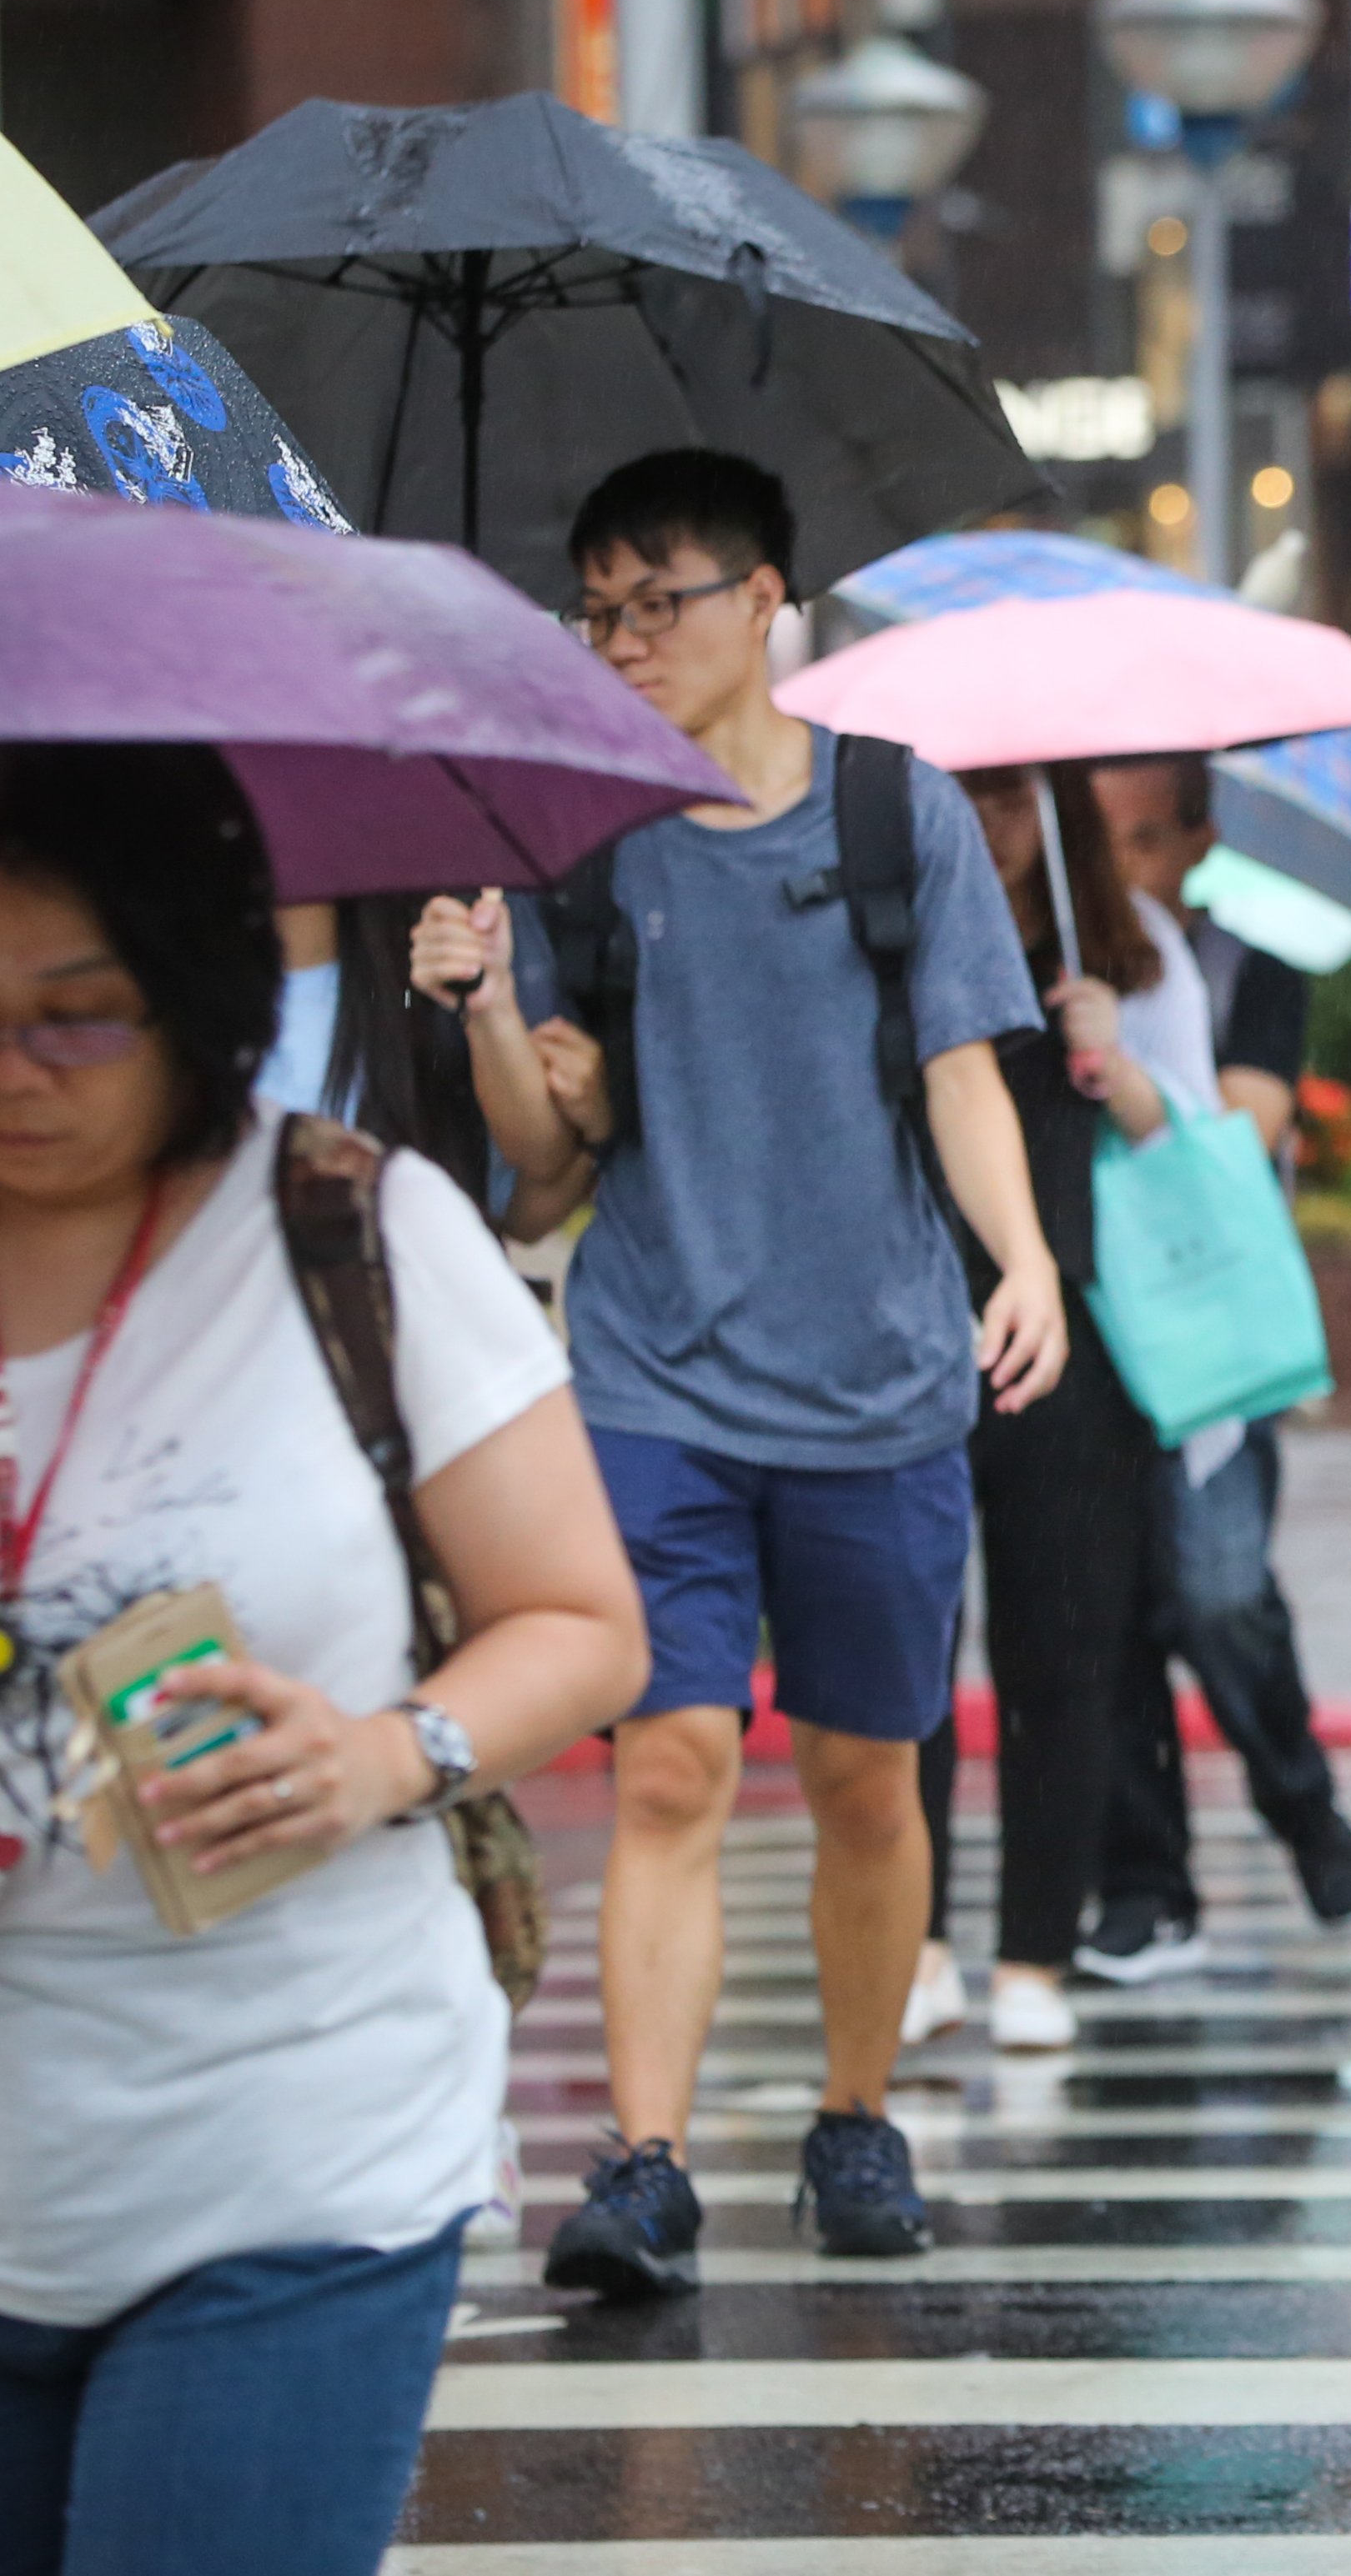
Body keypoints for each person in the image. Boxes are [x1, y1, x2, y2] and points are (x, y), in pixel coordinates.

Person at [410, 449, 1061, 2296]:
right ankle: (645, 2164)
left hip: (875, 1384)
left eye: (658, 601)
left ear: (767, 600)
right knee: (673, 1766)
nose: (620, 639)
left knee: (870, 1780)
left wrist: (1023, 1264)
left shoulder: (892, 815)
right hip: (651, 1377)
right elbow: (545, 1166)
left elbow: (960, 1072)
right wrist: (479, 1009)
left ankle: (858, 2113)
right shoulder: (575, 849)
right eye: (596, 607)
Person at [0, 746, 648, 2573]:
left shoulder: (353, 1231)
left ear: (192, 990)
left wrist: (390, 1754)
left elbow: (587, 1627)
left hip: (291, 2152)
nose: (16, 1072)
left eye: (75, 1017)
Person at [1072, 756, 1351, 1974]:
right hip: (1085, 1327)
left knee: (1217, 1589)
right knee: (1102, 1615)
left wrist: (1130, 1078)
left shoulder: (1251, 968)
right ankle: (1145, 1886)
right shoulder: (1047, 966)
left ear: (1198, 841)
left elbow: (1246, 1133)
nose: (1126, 869)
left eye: (1147, 840)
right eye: (1104, 843)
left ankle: (1300, 1802)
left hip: (1203, 1330)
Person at [900, 764, 1179, 2056]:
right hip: (913, 1327)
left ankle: (1033, 1956)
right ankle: (918, 1942)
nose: (992, 823)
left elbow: (1193, 1136)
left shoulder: (1120, 949)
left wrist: (1110, 1057)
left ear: (1058, 811)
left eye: (1014, 798)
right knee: (908, 1655)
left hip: (1079, 1345)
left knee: (1058, 1656)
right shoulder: (894, 934)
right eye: (968, 795)